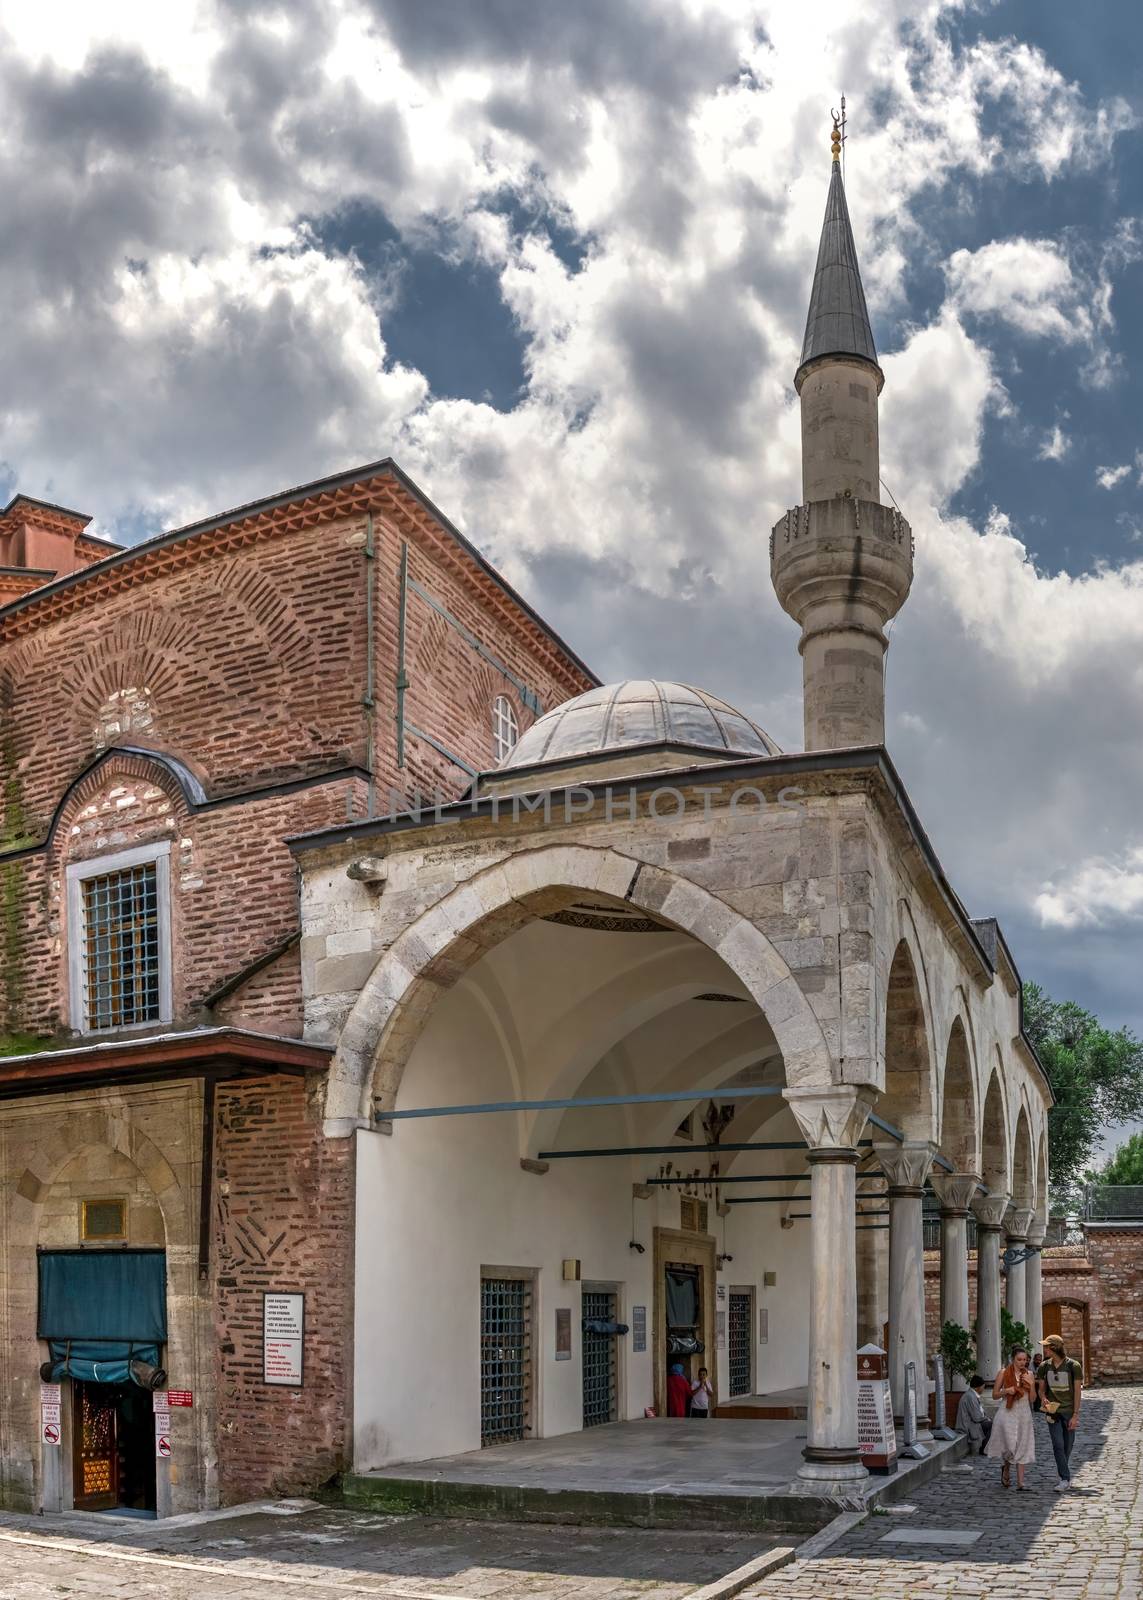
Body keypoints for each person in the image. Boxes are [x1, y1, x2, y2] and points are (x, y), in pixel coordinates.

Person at [986, 1346, 1036, 1489]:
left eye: (1025, 1360)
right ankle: (1006, 1468)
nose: (1022, 1362)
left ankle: (1021, 1483)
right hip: (1007, 1412)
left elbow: (1033, 1399)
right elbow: (994, 1395)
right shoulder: (1003, 1373)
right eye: (1019, 1359)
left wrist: (1032, 1385)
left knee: (1023, 1445)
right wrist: (1006, 1391)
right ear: (1013, 1359)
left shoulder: (1030, 1374)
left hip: (1024, 1413)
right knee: (1009, 1445)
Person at [1038, 1334, 1083, 1492]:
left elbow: (1077, 1391)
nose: (1044, 1349)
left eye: (1046, 1346)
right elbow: (1041, 1389)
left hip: (1069, 1411)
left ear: (1054, 1348)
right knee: (1058, 1445)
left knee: (1067, 1446)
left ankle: (1063, 1472)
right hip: (1052, 1411)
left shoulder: (1073, 1366)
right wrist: (1043, 1398)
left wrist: (1075, 1415)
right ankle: (1065, 1478)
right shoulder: (1044, 1366)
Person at [955, 1375, 992, 1454]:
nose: (983, 1389)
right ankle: (984, 1449)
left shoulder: (972, 1395)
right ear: (977, 1387)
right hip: (968, 1425)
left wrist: (986, 1418)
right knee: (992, 1424)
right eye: (983, 1387)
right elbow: (976, 1417)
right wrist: (986, 1419)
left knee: (991, 1422)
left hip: (973, 1422)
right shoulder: (970, 1396)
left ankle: (985, 1447)